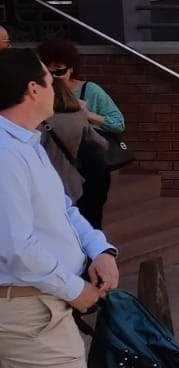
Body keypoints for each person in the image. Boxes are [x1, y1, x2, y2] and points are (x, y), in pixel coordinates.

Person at [0, 48, 119, 368]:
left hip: (41, 305)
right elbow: (17, 247)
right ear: (33, 89)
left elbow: (64, 208)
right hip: (28, 312)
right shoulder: (6, 153)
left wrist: (100, 249)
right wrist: (75, 289)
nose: (56, 85)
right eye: (48, 79)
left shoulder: (27, 142)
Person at [37, 38, 124, 229]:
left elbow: (117, 123)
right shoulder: (39, 93)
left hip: (89, 163)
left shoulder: (89, 90)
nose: (54, 76)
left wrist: (88, 115)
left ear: (71, 68)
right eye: (48, 71)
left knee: (90, 218)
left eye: (59, 70)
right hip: (56, 165)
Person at [40, 76, 107, 204]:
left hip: (45, 180)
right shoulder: (78, 117)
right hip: (71, 180)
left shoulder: (40, 121)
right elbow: (101, 144)